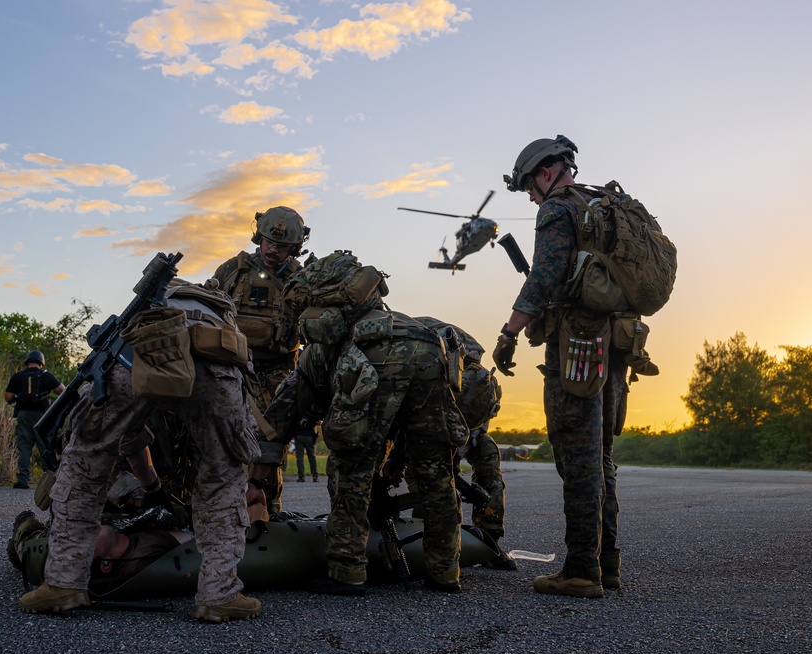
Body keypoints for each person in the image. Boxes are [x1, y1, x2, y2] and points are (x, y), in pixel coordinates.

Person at [19, 282, 262, 623]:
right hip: (215, 363)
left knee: (85, 461)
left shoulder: (149, 309)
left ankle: (64, 584)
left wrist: (151, 488)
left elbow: (127, 437)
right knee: (223, 475)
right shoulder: (221, 312)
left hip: (143, 353)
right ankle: (219, 596)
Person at [265, 250, 469, 595]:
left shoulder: (323, 350)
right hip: (429, 348)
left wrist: (265, 450)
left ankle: (347, 572)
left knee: (350, 468)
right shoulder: (386, 314)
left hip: (379, 353)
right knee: (437, 472)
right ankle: (445, 571)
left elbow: (287, 402)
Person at [494, 135, 630, 598]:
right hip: (612, 347)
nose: (531, 196)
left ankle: (579, 570)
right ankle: (606, 563)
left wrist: (509, 332)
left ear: (545, 172)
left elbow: (544, 276)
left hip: (575, 346)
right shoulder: (600, 205)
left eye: (529, 186)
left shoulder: (557, 210)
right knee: (601, 456)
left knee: (577, 458)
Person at [212, 206, 310, 514]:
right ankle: (227, 513)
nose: (273, 249)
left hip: (278, 375)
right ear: (259, 237)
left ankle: (271, 511)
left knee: (269, 448)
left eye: (281, 245)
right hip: (233, 369)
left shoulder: (302, 279)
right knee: (225, 443)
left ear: (294, 247)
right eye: (269, 241)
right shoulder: (232, 270)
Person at [414, 316, 516, 571]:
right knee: (428, 478)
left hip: (452, 407)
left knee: (489, 460)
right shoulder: (420, 368)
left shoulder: (479, 377)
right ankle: (420, 538)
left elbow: (479, 409)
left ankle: (489, 542)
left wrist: (469, 437)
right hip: (417, 414)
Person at [4, 350, 66, 489]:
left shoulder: (18, 376)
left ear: (27, 361)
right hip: (43, 416)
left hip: (24, 414)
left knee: (25, 447)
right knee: (44, 446)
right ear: (41, 362)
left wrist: (17, 398)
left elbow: (8, 397)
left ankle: (22, 480)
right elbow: (63, 391)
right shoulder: (47, 376)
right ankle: (50, 480)